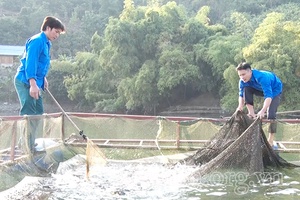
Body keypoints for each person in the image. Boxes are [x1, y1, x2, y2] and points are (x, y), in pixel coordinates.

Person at [14, 16, 65, 153]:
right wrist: (32, 83)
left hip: (37, 81)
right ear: (48, 28)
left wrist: (44, 78)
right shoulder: (37, 41)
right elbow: (31, 63)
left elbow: (41, 64)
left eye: (59, 33)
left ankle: (26, 142)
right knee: (29, 112)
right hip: (25, 81)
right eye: (56, 31)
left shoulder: (46, 43)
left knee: (38, 112)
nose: (57, 35)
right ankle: (26, 145)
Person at [235, 62, 282, 147]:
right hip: (258, 89)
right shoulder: (242, 81)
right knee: (246, 89)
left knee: (271, 114)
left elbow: (268, 96)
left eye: (243, 74)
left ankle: (271, 139)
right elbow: (241, 95)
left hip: (274, 90)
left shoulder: (261, 77)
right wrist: (240, 106)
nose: (242, 77)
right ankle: (251, 113)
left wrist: (262, 111)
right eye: (240, 75)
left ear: (250, 71)